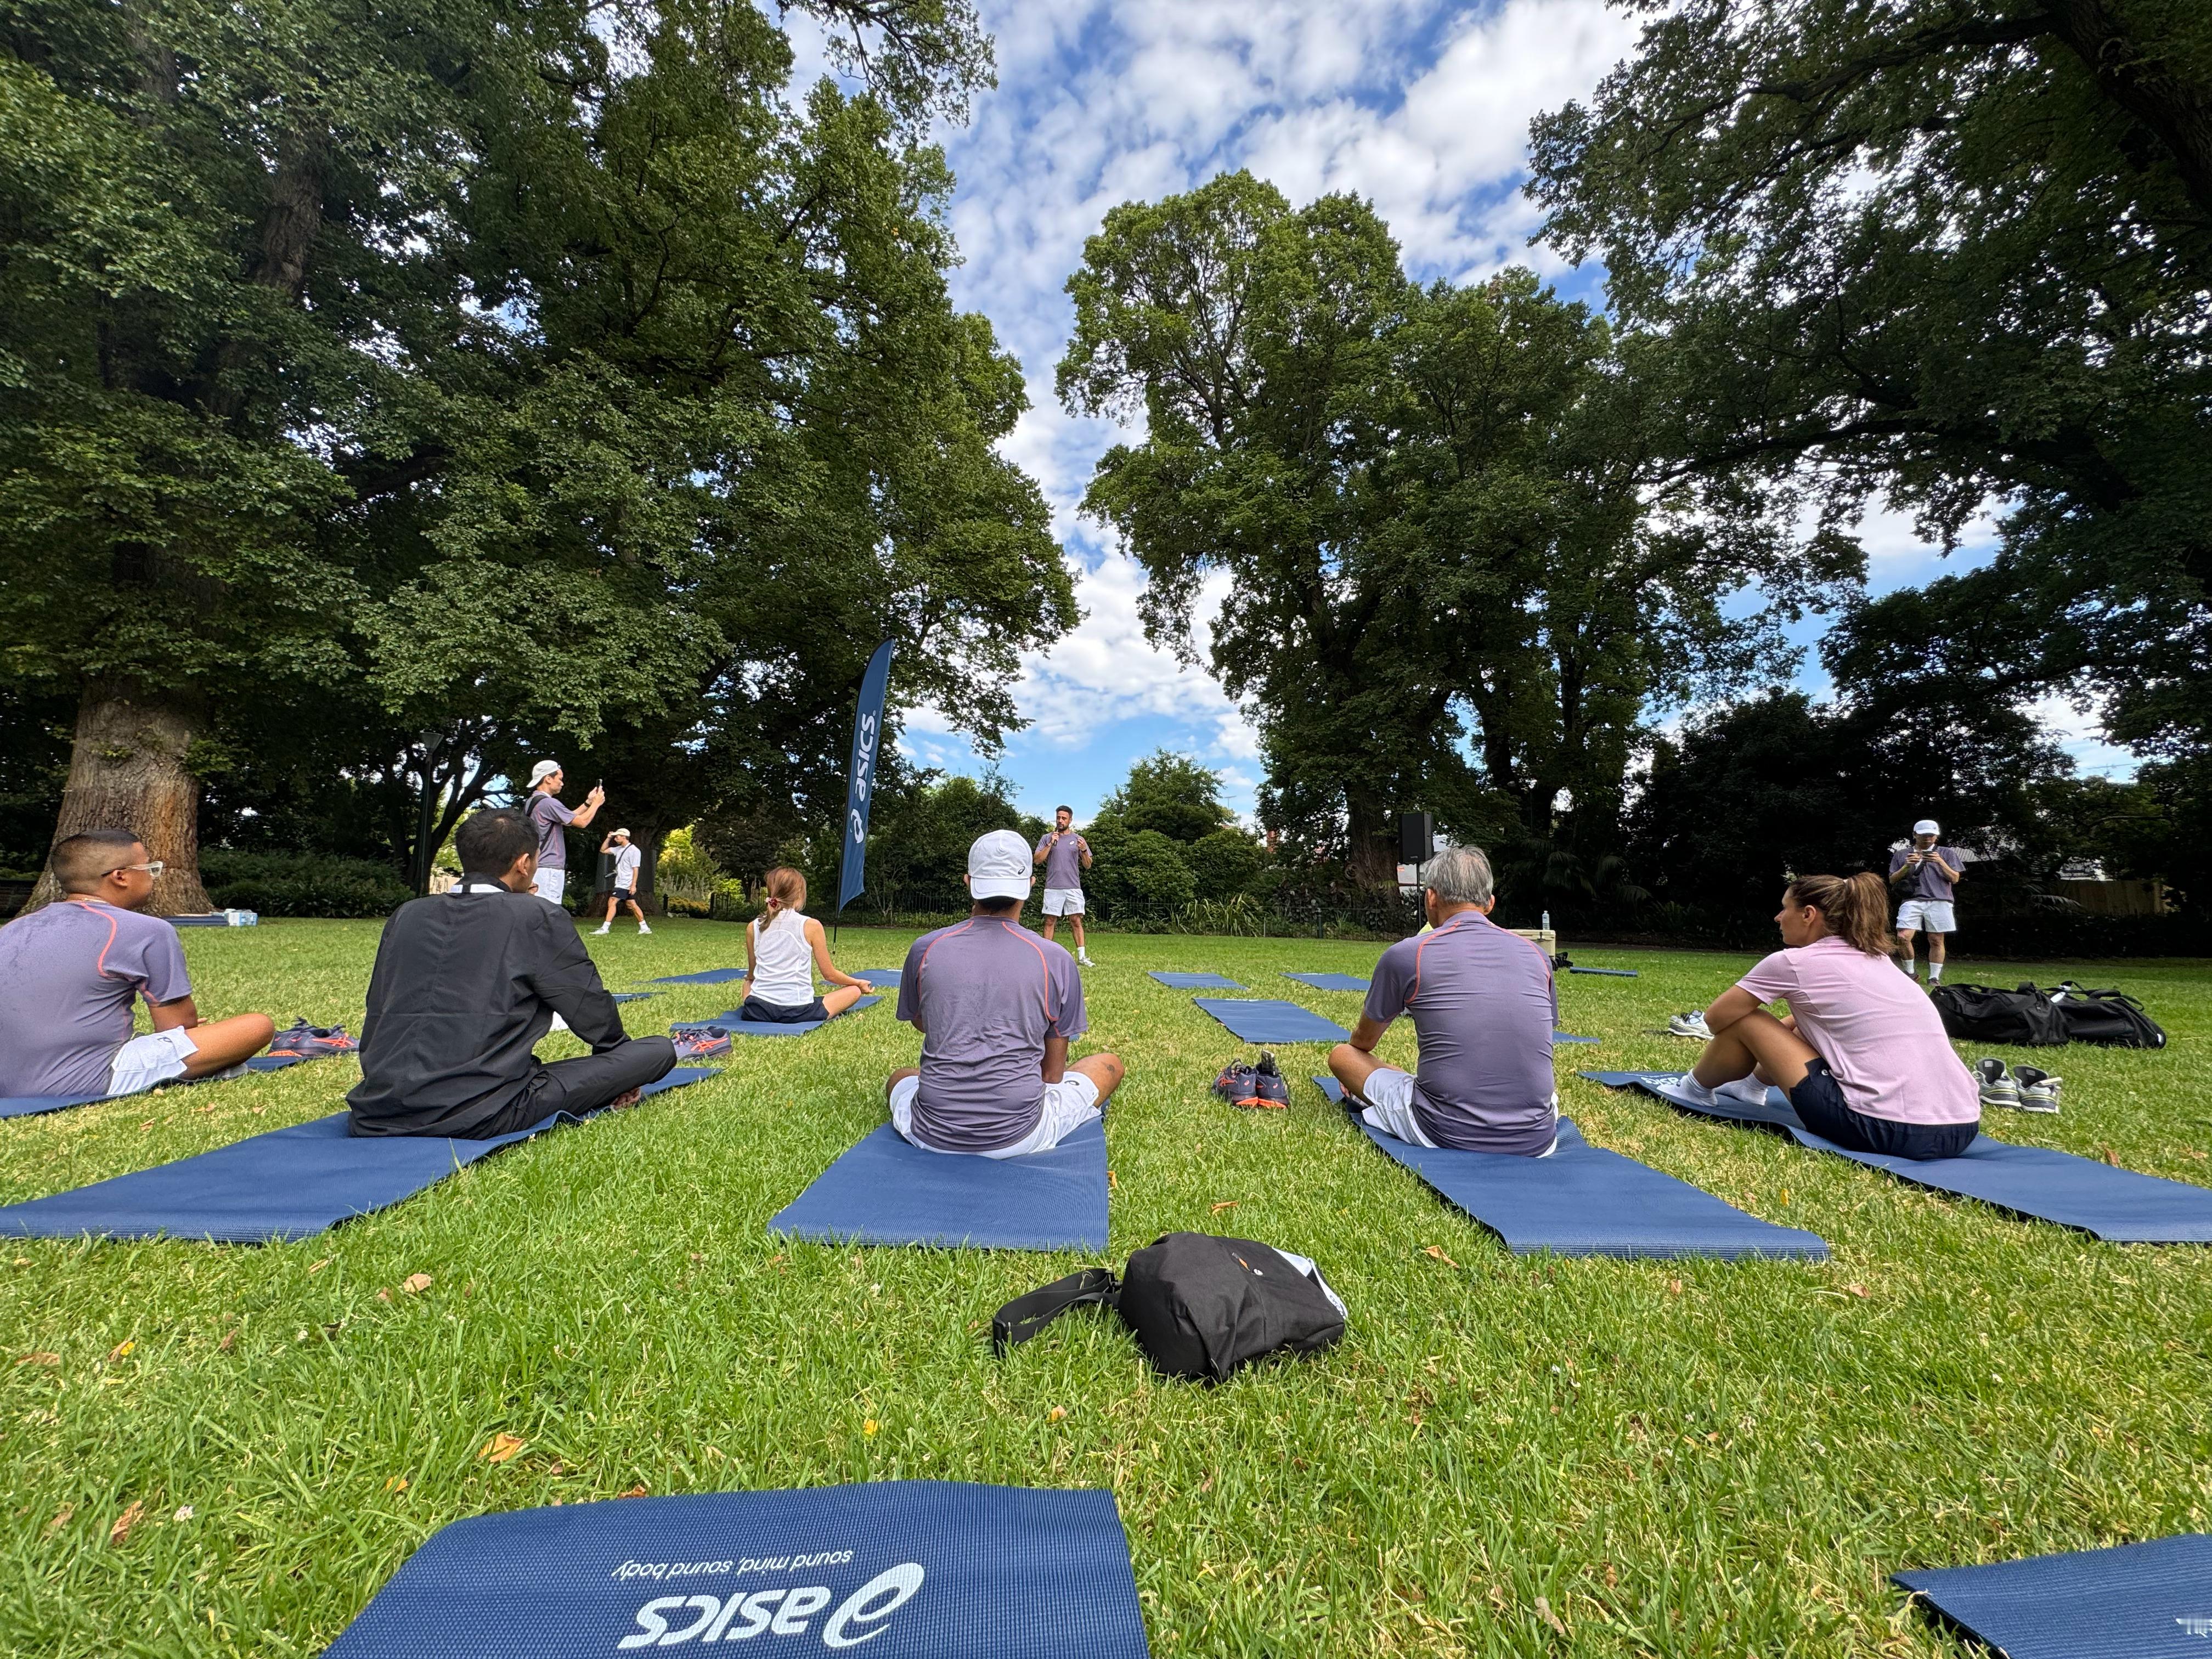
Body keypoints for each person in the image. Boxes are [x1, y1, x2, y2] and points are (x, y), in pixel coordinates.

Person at [348, 808, 674, 1137]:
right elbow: (587, 1005)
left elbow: (378, 1005)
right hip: (487, 1109)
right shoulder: (535, 915)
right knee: (658, 1051)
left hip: (380, 1107)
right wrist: (621, 1067)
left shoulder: (408, 914)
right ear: (524, 863)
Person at [1678, 872, 1980, 1160]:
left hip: (1883, 1129)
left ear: (1808, 915)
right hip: (1962, 1129)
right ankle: (1752, 1087)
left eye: (1785, 909)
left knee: (1747, 1019)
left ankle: (1695, 1090)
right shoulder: (1878, 960)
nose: (1778, 918)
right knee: (1807, 1020)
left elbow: (1716, 1019)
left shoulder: (1793, 962)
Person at [885, 829, 1124, 1157]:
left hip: (930, 1131)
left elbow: (923, 1023)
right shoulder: (1054, 957)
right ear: (1030, 885)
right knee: (1109, 1063)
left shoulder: (925, 947)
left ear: (968, 882)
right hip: (1020, 1134)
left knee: (900, 1077)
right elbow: (1052, 1076)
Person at [0, 831, 275, 1101]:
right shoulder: (147, 930)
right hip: (88, 1079)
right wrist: (186, 1030)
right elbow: (176, 1026)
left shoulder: (12, 930)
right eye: (150, 868)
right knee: (257, 1026)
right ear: (121, 877)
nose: (154, 876)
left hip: (7, 1083)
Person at [1326, 845, 1559, 1155]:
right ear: (1489, 904)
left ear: (1431, 898)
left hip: (1443, 1131)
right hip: (1537, 1138)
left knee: (1343, 1055)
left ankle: (1404, 1087)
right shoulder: (1539, 956)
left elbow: (1363, 1043)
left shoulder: (1408, 954)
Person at [739, 866, 872, 1024]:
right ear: (800, 894)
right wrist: (858, 983)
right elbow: (829, 975)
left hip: (757, 1011)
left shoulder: (752, 927)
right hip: (798, 1011)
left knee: (748, 982)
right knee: (854, 992)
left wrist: (750, 981)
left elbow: (752, 975)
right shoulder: (811, 926)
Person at [1889, 819, 1965, 985]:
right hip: (1912, 900)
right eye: (1924, 835)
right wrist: (1907, 866)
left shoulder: (1946, 853)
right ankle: (1910, 973)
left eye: (1931, 835)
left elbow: (1955, 878)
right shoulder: (1902, 855)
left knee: (1936, 939)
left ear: (1936, 836)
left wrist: (1940, 862)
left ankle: (1934, 977)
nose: (1928, 838)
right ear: (1915, 835)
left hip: (1941, 900)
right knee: (1903, 937)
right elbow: (1893, 879)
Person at [523, 759, 605, 907]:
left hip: (538, 865)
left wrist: (588, 803)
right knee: (549, 912)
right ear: (548, 778)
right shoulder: (549, 803)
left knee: (536, 910)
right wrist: (597, 804)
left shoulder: (534, 801)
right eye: (560, 779)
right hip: (549, 868)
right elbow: (582, 822)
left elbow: (567, 819)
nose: (562, 783)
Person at [1032, 806, 1095, 966]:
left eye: (1064, 818)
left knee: (1076, 921)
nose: (1060, 821)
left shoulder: (1079, 840)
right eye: (1059, 817)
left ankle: (1082, 958)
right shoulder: (1047, 838)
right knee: (1049, 921)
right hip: (1053, 887)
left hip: (1073, 887)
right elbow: (1037, 860)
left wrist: (1083, 851)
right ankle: (1046, 958)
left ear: (1070, 820)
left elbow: (1088, 865)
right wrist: (1050, 845)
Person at [594, 828, 652, 936]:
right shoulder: (618, 849)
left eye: (618, 836)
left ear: (624, 837)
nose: (616, 838)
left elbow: (636, 869)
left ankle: (605, 928)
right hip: (621, 882)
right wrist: (608, 838)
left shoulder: (634, 851)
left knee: (612, 901)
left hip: (626, 883)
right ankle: (645, 927)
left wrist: (633, 885)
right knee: (632, 905)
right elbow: (603, 850)